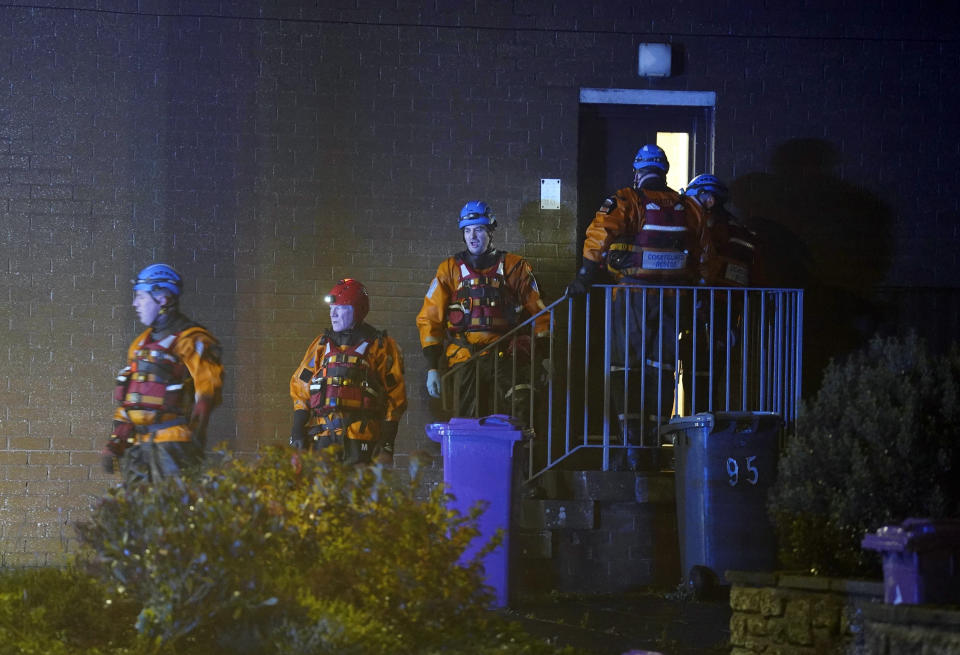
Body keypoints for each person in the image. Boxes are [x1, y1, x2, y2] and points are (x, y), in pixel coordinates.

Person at [567, 144, 703, 469]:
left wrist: (585, 276)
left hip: (631, 296)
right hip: (673, 299)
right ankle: (653, 443)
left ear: (638, 172)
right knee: (662, 369)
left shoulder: (628, 199)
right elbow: (704, 253)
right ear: (665, 171)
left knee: (625, 367)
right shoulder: (689, 205)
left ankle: (631, 446)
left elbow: (600, 234)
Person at [416, 201, 550, 423]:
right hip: (464, 356)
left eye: (478, 229)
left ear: (490, 231)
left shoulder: (515, 267)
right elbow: (430, 318)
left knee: (517, 414)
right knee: (466, 420)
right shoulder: (448, 269)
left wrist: (544, 356)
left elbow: (540, 312)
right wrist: (432, 367)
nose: (473, 236)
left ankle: (514, 457)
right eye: (467, 231)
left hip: (506, 355)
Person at [102, 264, 223, 485]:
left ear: (163, 299)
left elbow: (207, 392)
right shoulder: (140, 344)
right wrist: (115, 442)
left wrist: (194, 441)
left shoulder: (192, 340)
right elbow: (130, 401)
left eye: (141, 297)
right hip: (137, 448)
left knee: (175, 509)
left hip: (172, 447)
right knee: (136, 513)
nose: (135, 304)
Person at [289, 278, 407, 466]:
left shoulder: (381, 346)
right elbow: (301, 388)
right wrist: (297, 432)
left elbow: (395, 398)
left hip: (361, 440)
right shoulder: (321, 345)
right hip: (322, 439)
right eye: (331, 308)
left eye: (341, 308)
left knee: (357, 494)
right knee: (321, 494)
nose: (333, 314)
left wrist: (386, 444)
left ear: (358, 310)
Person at [684, 174, 767, 411]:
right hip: (729, 309)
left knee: (698, 371)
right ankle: (707, 420)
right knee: (714, 371)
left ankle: (700, 426)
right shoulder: (739, 229)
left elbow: (701, 263)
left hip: (705, 307)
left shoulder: (708, 227)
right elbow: (755, 273)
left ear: (708, 199)